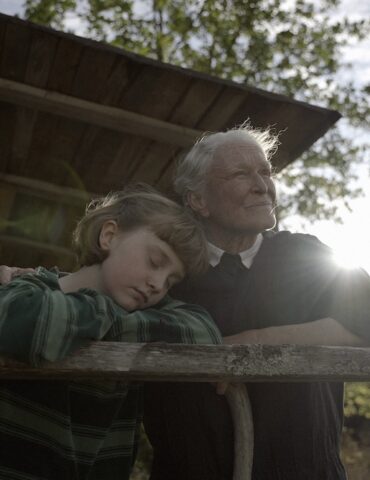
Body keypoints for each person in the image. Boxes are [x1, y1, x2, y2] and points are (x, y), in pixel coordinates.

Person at [143, 125, 370, 480]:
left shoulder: (305, 255)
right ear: (198, 200)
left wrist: (251, 345)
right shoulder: (167, 269)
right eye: (240, 173)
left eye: (265, 171)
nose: (262, 185)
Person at [0, 184, 221, 480]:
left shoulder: (140, 314)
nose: (158, 284)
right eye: (155, 262)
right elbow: (28, 325)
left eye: (171, 281)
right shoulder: (28, 287)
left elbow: (205, 335)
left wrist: (85, 325)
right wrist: (105, 319)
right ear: (109, 235)